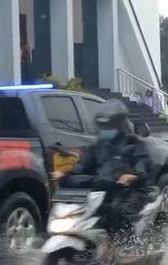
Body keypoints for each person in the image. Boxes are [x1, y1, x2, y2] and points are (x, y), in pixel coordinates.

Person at [53, 99, 152, 235]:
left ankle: (128, 246)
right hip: (102, 190)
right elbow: (82, 167)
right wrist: (66, 173)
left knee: (119, 212)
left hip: (131, 191)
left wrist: (132, 175)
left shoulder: (133, 144)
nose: (106, 130)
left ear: (119, 125)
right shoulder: (96, 147)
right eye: (103, 127)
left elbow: (142, 165)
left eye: (109, 126)